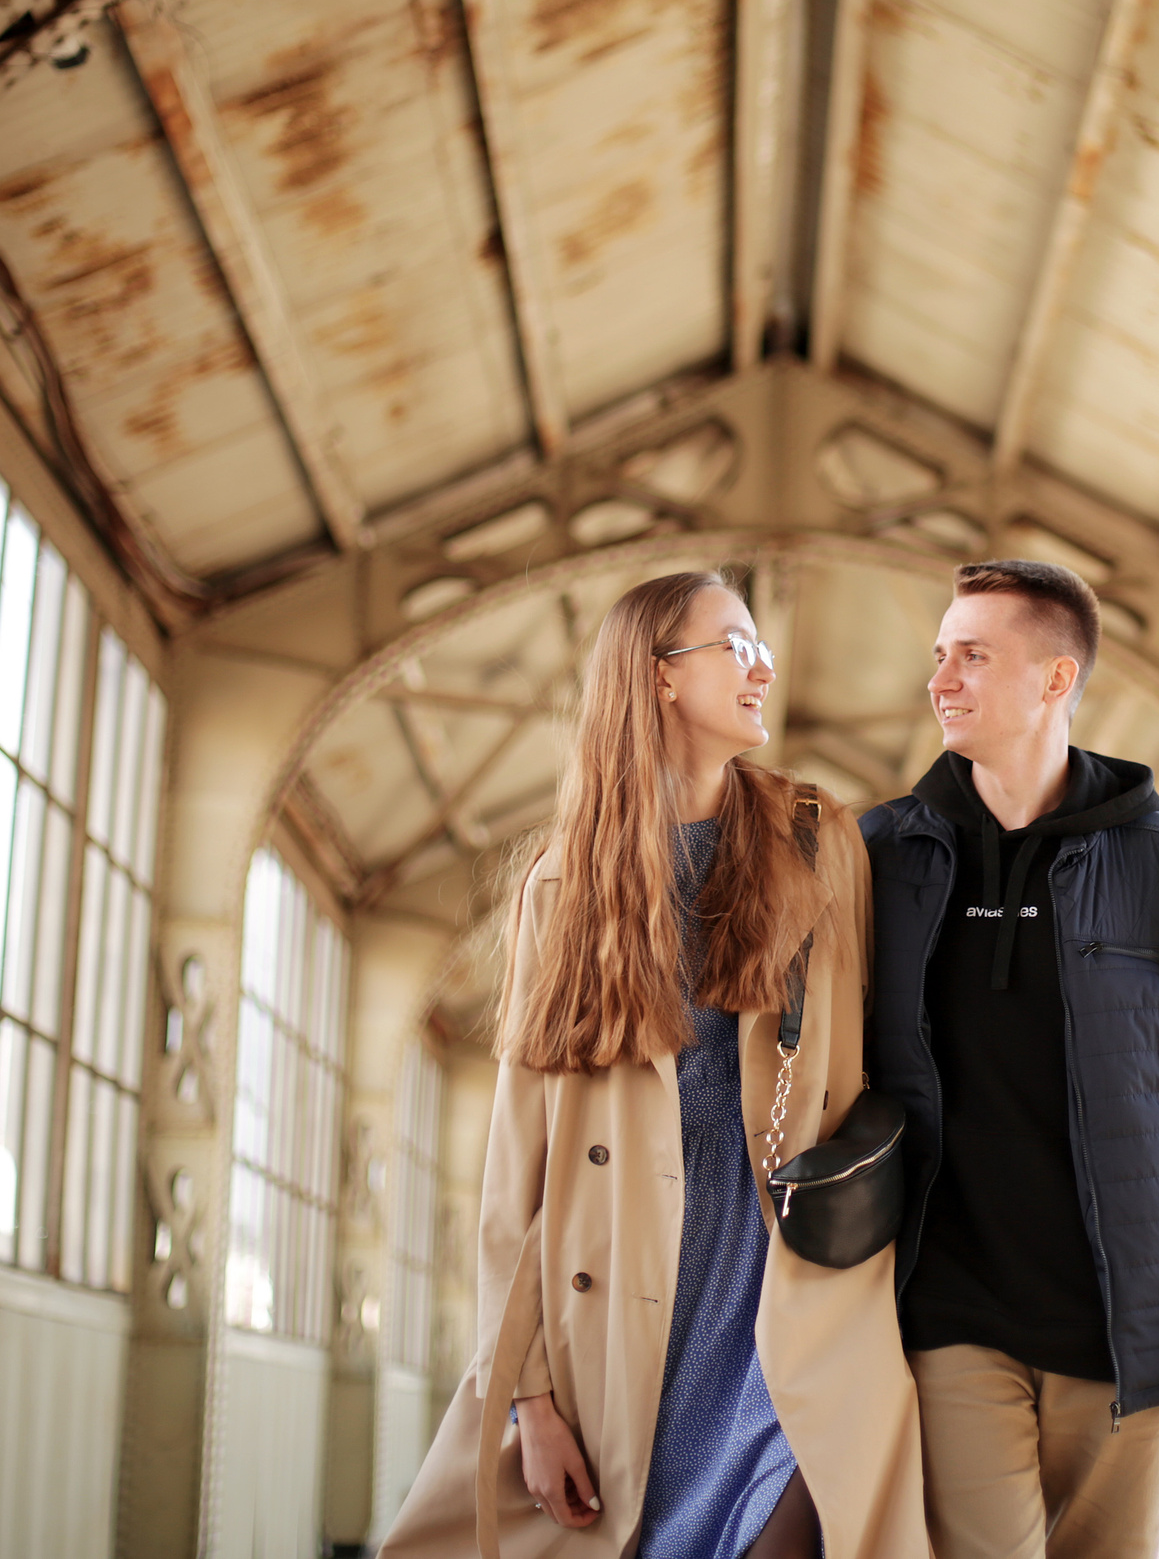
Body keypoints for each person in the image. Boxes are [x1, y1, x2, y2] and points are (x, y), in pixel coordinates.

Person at [382, 570, 929, 1559]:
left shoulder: (817, 839)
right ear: (661, 678)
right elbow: (518, 1178)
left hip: (784, 1295)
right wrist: (530, 1404)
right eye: (736, 644)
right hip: (619, 1320)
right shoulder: (563, 888)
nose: (764, 665)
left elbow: (871, 1056)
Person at [860, 559, 1159, 1559]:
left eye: (974, 655)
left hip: (1129, 1335)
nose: (941, 680)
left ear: (1057, 680)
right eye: (938, 656)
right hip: (949, 1316)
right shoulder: (883, 858)